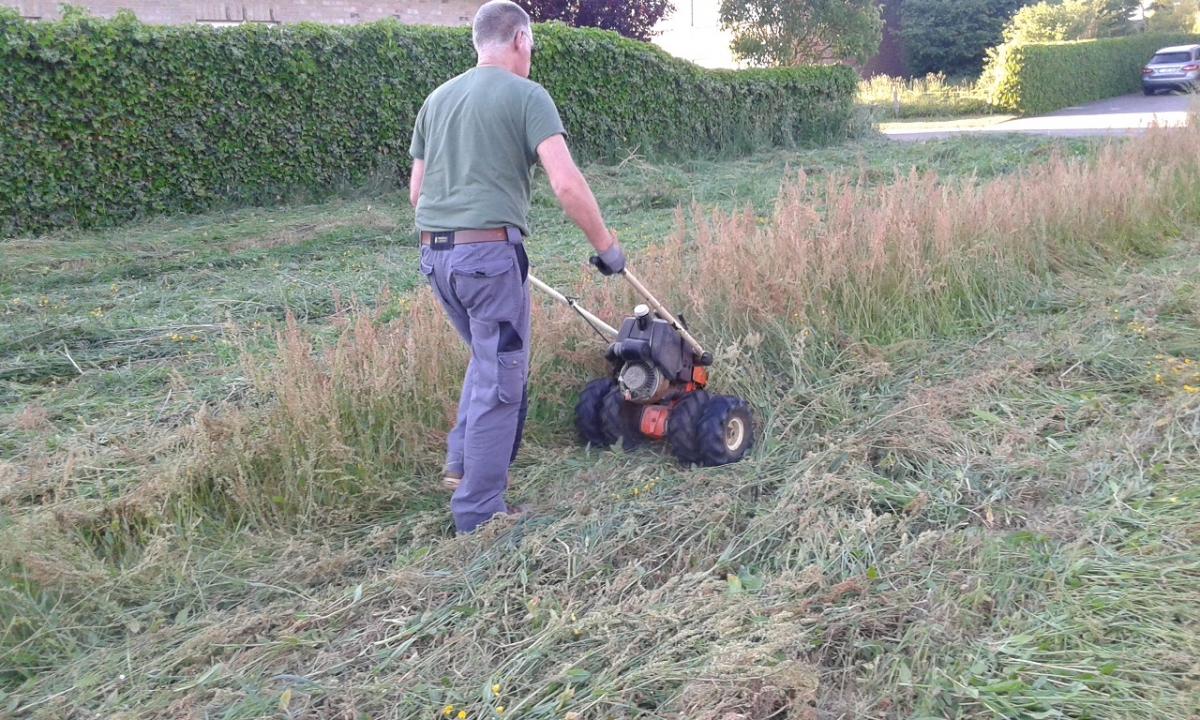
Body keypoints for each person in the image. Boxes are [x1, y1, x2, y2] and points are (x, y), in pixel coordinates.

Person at [409, 0, 627, 534]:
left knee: (487, 362)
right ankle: (480, 515)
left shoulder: (436, 100)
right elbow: (567, 183)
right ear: (521, 39)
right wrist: (607, 247)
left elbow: (417, 192)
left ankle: (461, 461)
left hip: (435, 255)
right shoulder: (528, 96)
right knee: (504, 382)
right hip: (486, 258)